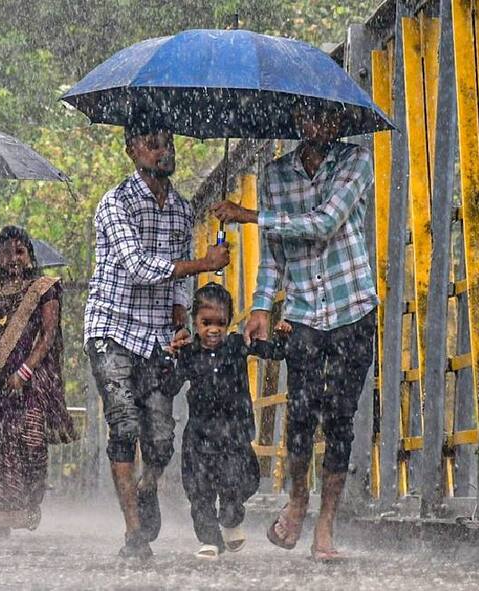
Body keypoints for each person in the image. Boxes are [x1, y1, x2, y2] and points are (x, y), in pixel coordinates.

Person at [210, 99, 378, 562]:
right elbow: (273, 255)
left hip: (352, 307)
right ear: (298, 119)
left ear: (341, 121)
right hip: (302, 312)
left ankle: (326, 526)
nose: (317, 123)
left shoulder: (357, 161)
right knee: (301, 418)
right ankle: (299, 499)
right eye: (308, 114)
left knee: (340, 419)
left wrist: (249, 216)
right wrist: (262, 305)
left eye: (327, 115)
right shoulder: (274, 175)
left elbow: (325, 222)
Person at [84, 121, 231, 559]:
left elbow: (177, 287)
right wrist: (204, 262)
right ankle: (134, 533)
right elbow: (139, 266)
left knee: (163, 438)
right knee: (125, 424)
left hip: (155, 335)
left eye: (168, 143)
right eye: (152, 144)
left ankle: (146, 487)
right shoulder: (116, 203)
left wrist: (183, 313)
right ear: (132, 150)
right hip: (111, 327)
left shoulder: (183, 210)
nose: (163, 151)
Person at [161, 284, 287, 560]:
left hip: (234, 434)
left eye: (220, 323)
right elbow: (169, 386)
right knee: (199, 492)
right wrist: (168, 356)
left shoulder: (236, 345)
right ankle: (209, 540)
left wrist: (281, 336)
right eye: (206, 323)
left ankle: (231, 518)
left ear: (229, 322)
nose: (213, 330)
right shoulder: (190, 352)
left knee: (240, 481)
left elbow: (273, 352)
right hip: (200, 437)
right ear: (195, 322)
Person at [0, 226, 75, 537]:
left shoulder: (44, 288)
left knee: (30, 442)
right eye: (6, 252)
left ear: (30, 255)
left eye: (20, 251)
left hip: (32, 378)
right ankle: (1, 520)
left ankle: (28, 505)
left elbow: (48, 335)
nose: (14, 258)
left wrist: (24, 372)